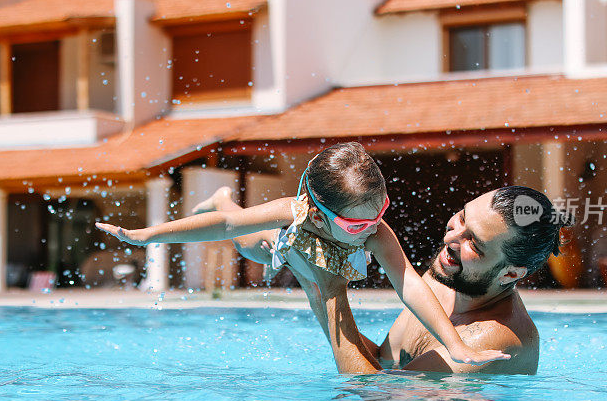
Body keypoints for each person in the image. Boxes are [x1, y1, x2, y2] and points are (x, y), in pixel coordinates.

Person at [95, 142, 509, 367]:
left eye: (379, 213)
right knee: (242, 235)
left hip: (325, 265)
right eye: (354, 226)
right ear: (316, 210)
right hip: (276, 245)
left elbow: (410, 286)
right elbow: (224, 230)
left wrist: (455, 344)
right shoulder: (294, 211)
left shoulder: (376, 230)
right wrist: (145, 236)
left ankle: (224, 199)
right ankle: (223, 198)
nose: (369, 228)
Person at [301, 186, 571, 374]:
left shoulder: (491, 341)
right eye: (462, 218)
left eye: (473, 243)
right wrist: (313, 282)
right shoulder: (450, 276)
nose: (450, 239)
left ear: (510, 274)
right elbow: (381, 361)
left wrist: (332, 291)